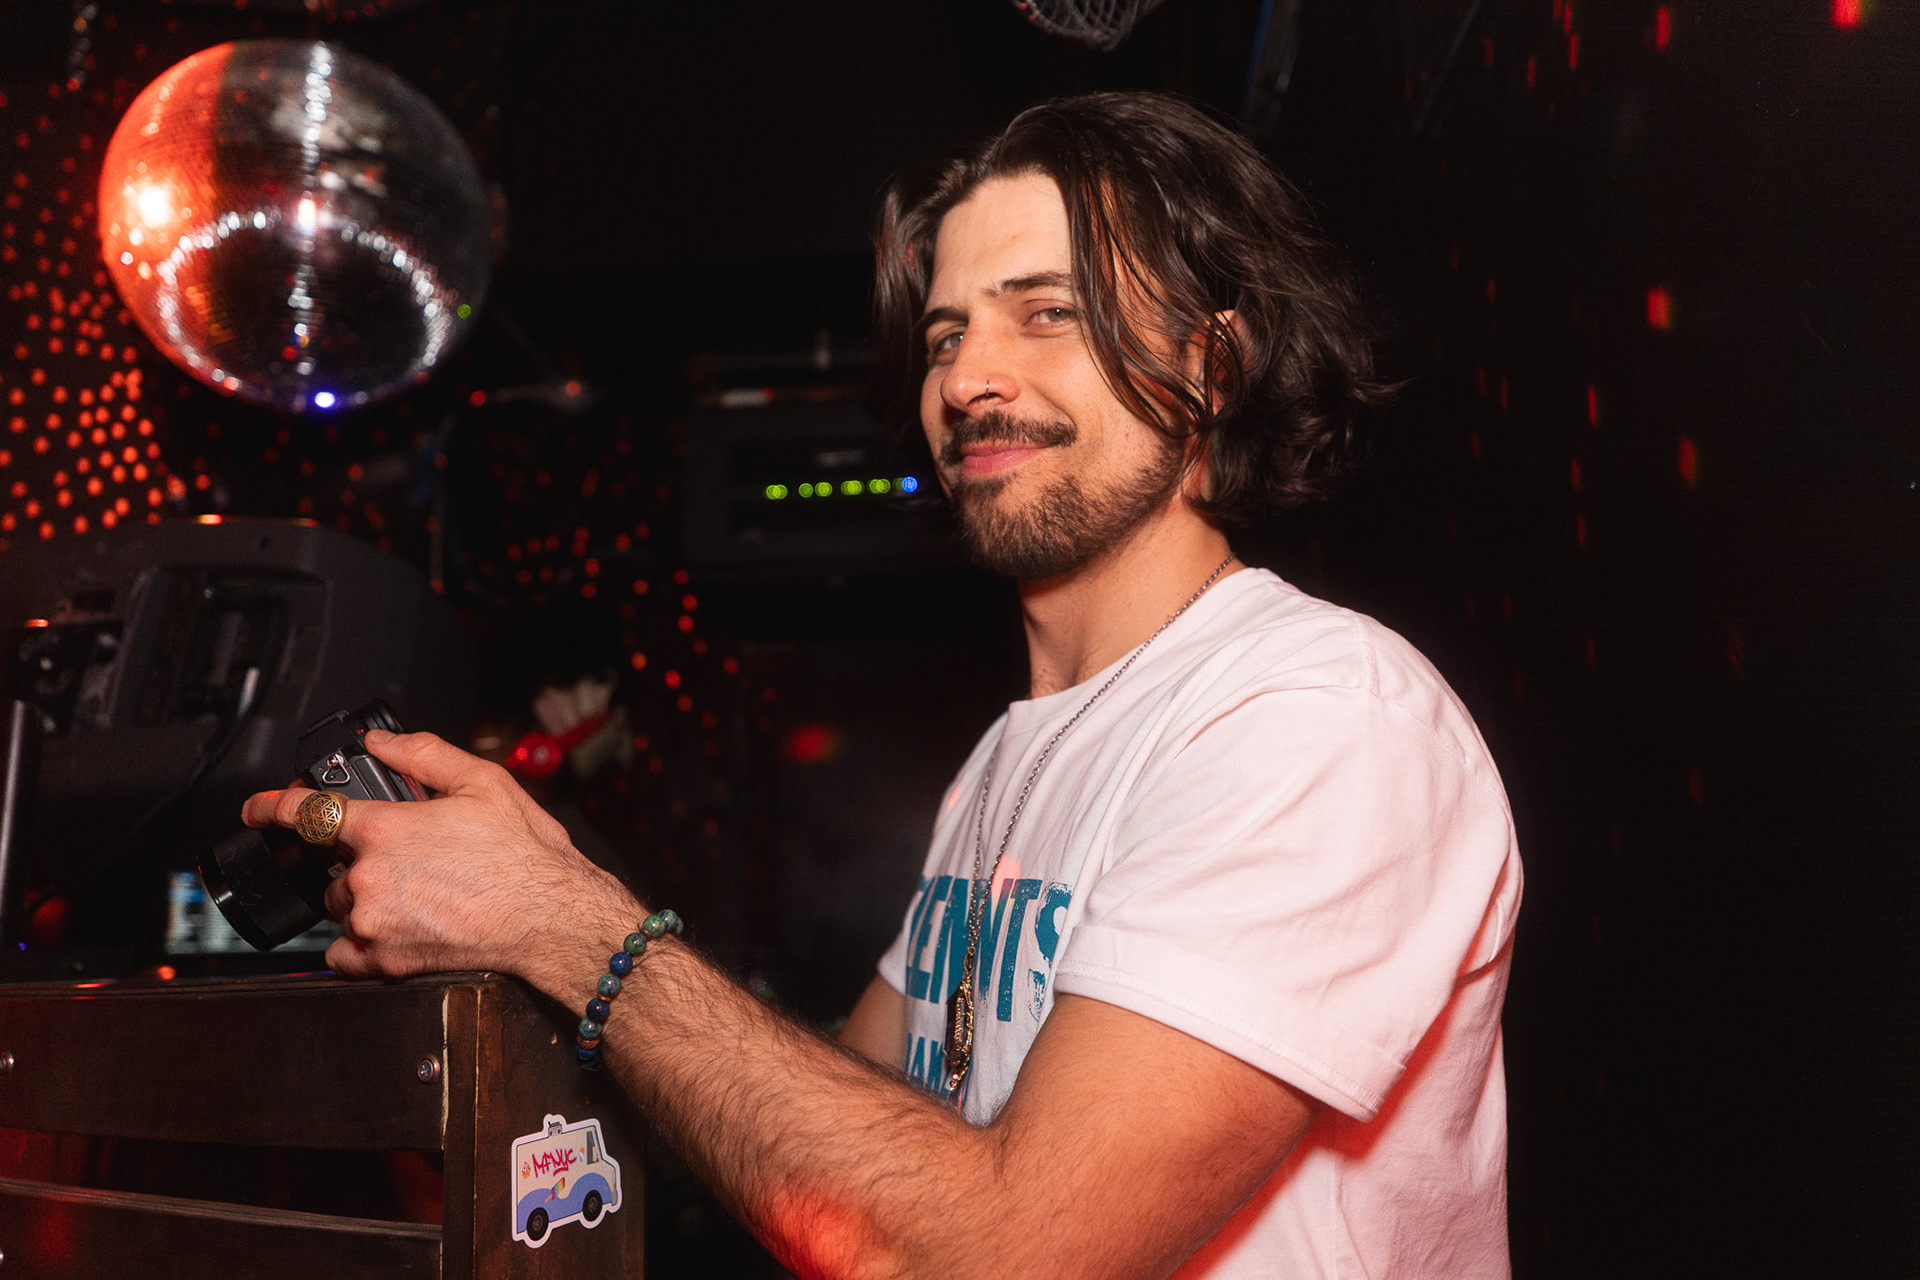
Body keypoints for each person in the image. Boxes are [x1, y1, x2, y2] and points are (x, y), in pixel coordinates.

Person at [246, 91, 1521, 1278]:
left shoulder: (1317, 712)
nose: (966, 378)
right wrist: (516, 908)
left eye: (1046, 313)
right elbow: (821, 1128)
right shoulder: (1008, 759)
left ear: (1212, 365)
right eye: (948, 333)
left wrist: (567, 923)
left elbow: (1011, 1247)